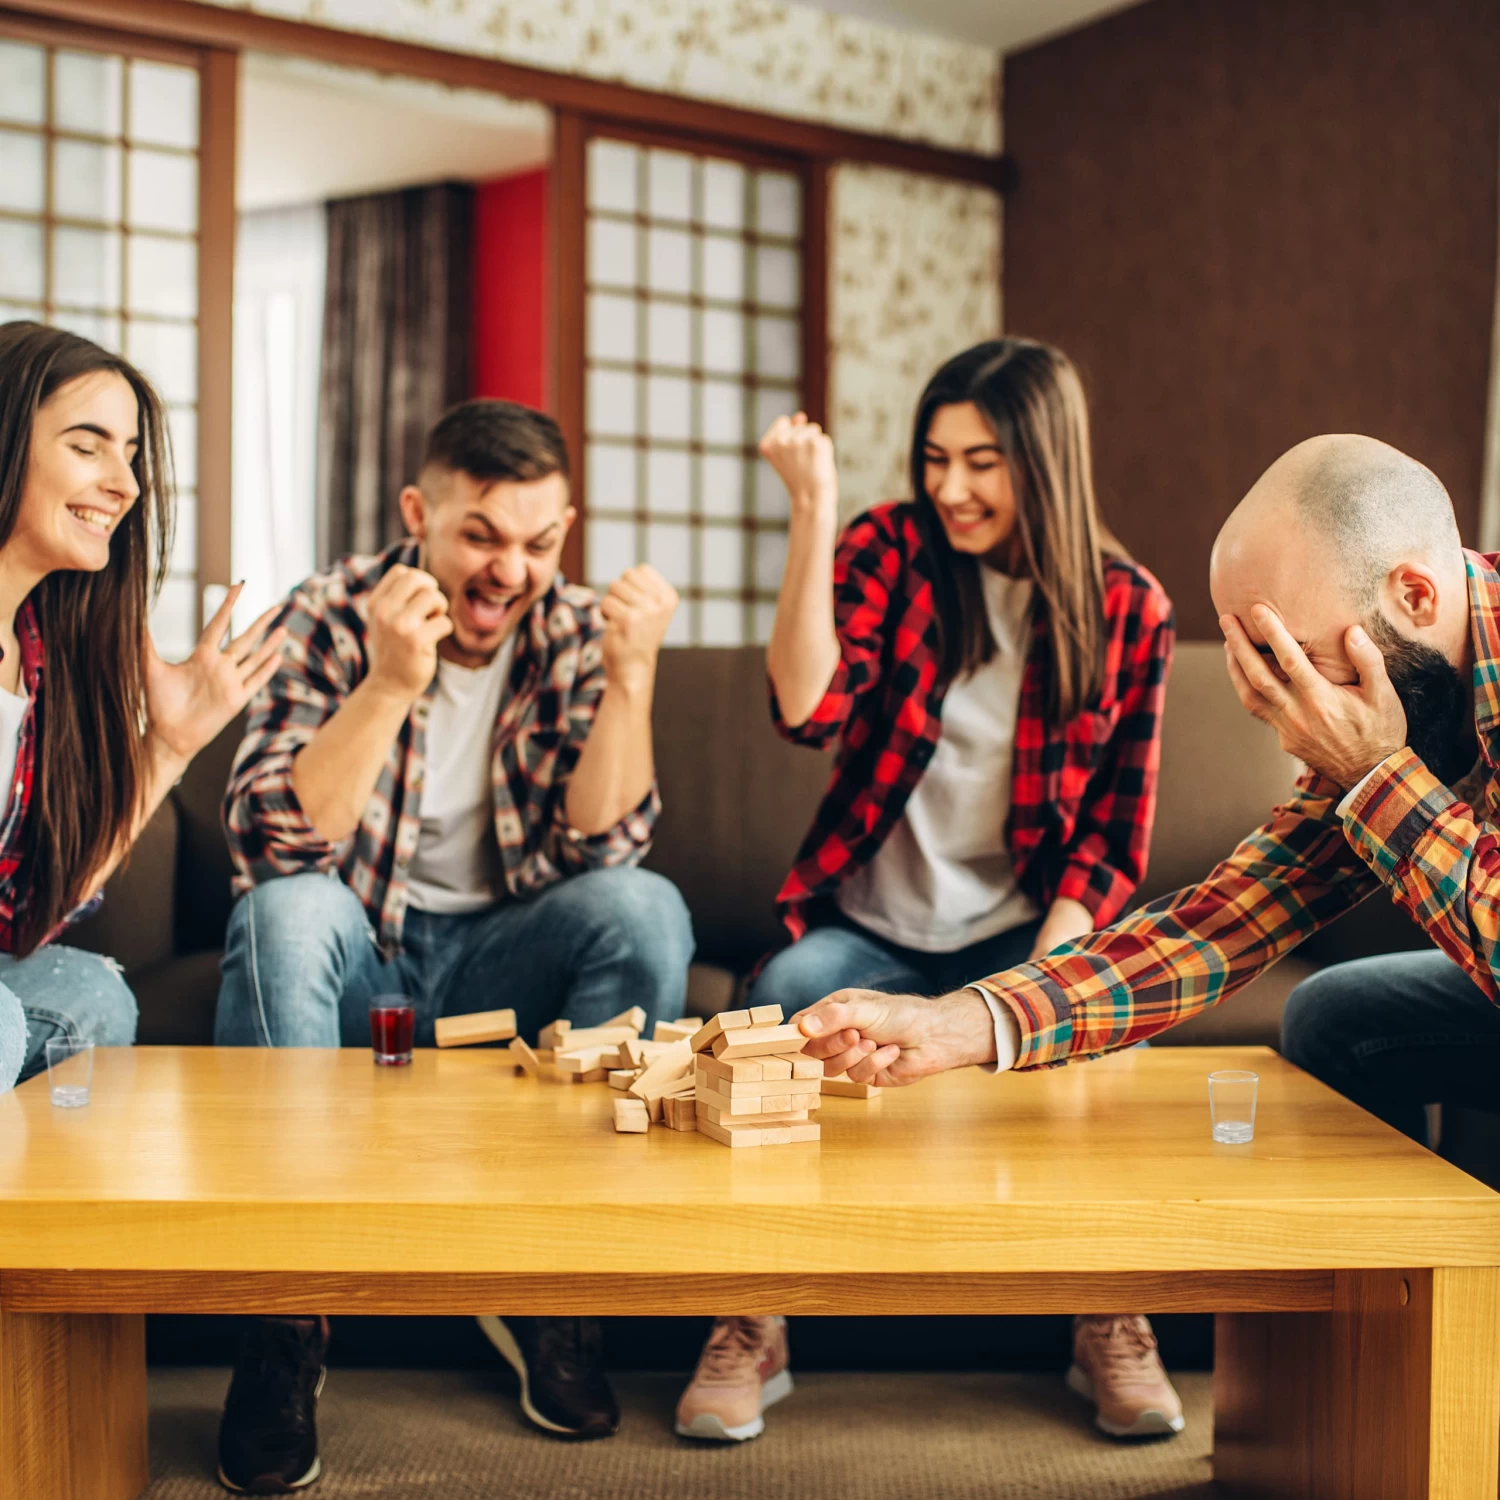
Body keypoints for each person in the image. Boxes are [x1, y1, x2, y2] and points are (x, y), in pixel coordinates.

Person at [673, 340, 1181, 1446]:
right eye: (935, 458)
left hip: (1023, 935)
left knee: (1091, 1048)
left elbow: (1108, 841)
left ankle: (1109, 1314)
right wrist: (813, 513)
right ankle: (752, 1319)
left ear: (1046, 464)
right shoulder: (889, 551)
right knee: (786, 1008)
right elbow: (807, 707)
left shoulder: (1131, 608)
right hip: (870, 931)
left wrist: (1051, 987)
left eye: (983, 462)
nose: (950, 487)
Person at [213, 397, 693, 1492]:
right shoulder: (334, 610)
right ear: (419, 514)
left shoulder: (576, 629)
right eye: (480, 534)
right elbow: (275, 839)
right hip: (360, 954)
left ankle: (558, 1292)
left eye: (537, 543)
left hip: (503, 956)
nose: (507, 571)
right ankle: (284, 1316)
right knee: (279, 911)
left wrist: (632, 678)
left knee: (646, 907)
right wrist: (390, 683)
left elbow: (606, 843)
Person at [791, 432, 1498, 1173]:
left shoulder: (1373, 737)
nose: (1297, 723)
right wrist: (959, 1023)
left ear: (1414, 595)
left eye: (1299, 664)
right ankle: (1394, 1276)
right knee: (1337, 1015)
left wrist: (1376, 771)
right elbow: (1221, 920)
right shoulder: (1390, 703)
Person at [0, 320, 282, 1097]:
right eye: (87, 446)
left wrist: (169, 748)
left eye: (129, 454)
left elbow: (27, 923)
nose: (125, 484)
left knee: (90, 993)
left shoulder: (36, 654)